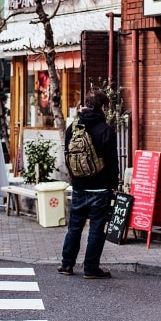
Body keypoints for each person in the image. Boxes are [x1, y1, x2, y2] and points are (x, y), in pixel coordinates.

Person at [58, 90, 119, 280]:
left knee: (75, 227)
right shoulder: (106, 130)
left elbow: (67, 155)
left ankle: (67, 264)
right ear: (103, 107)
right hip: (100, 188)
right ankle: (91, 268)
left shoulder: (73, 127)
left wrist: (74, 179)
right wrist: (114, 183)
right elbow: (112, 161)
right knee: (96, 229)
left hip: (79, 186)